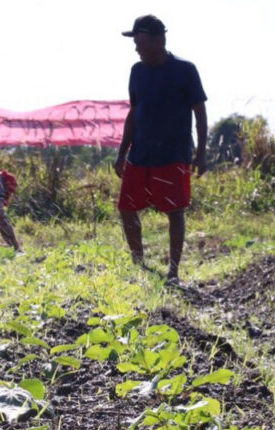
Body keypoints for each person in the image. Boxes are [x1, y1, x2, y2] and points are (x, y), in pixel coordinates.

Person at [114, 14, 207, 284]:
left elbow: (200, 113)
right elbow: (133, 113)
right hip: (140, 153)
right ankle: (138, 263)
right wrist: (122, 152)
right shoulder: (137, 71)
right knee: (127, 208)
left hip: (173, 153)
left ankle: (173, 271)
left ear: (158, 40)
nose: (136, 48)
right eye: (135, 43)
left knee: (174, 210)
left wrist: (201, 152)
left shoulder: (185, 70)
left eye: (140, 41)